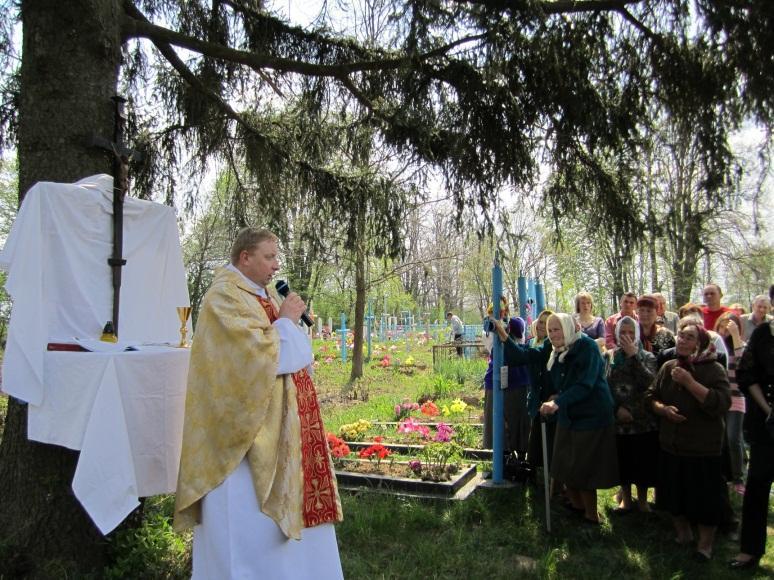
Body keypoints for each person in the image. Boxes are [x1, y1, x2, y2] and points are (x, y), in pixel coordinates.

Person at [174, 227, 344, 579]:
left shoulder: (258, 294)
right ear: (244, 257)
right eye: (269, 257)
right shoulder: (224, 297)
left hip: (280, 427)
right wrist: (285, 322)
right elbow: (255, 358)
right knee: (245, 529)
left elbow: (295, 353)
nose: (276, 265)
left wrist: (287, 323)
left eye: (276, 257)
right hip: (240, 441)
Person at [501, 313, 618, 524]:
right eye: (550, 330)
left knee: (583, 468)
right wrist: (503, 335)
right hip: (567, 413)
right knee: (563, 465)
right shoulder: (554, 349)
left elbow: (585, 384)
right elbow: (525, 357)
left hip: (591, 416)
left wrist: (557, 401)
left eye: (557, 329)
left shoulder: (587, 347)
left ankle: (592, 516)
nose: (553, 334)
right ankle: (576, 506)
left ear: (569, 327)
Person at [645, 320, 731, 562]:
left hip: (703, 449)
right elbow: (651, 396)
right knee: (674, 495)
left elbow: (721, 403)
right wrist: (662, 410)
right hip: (671, 446)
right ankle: (683, 534)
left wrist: (690, 383)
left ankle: (705, 545)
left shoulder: (713, 369)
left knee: (705, 500)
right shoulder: (668, 367)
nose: (682, 340)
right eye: (681, 336)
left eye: (689, 337)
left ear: (701, 343)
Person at [730, 296, 774, 570]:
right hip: (767, 422)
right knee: (757, 484)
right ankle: (749, 551)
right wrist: (768, 409)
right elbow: (747, 374)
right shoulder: (762, 335)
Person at [606, 316, 658, 514]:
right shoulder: (610, 357)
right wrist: (616, 409)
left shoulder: (647, 357)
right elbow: (605, 386)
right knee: (624, 460)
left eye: (630, 332)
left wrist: (634, 357)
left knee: (642, 461)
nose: (626, 336)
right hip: (619, 420)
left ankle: (643, 500)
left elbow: (650, 384)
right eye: (623, 332)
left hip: (642, 419)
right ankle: (626, 499)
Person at [714, 311, 747, 492]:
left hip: (737, 398)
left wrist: (735, 337)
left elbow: (744, 366)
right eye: (723, 327)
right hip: (719, 398)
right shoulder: (715, 346)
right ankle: (723, 475)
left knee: (733, 438)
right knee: (721, 440)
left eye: (731, 327)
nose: (726, 331)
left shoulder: (742, 347)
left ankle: (738, 479)